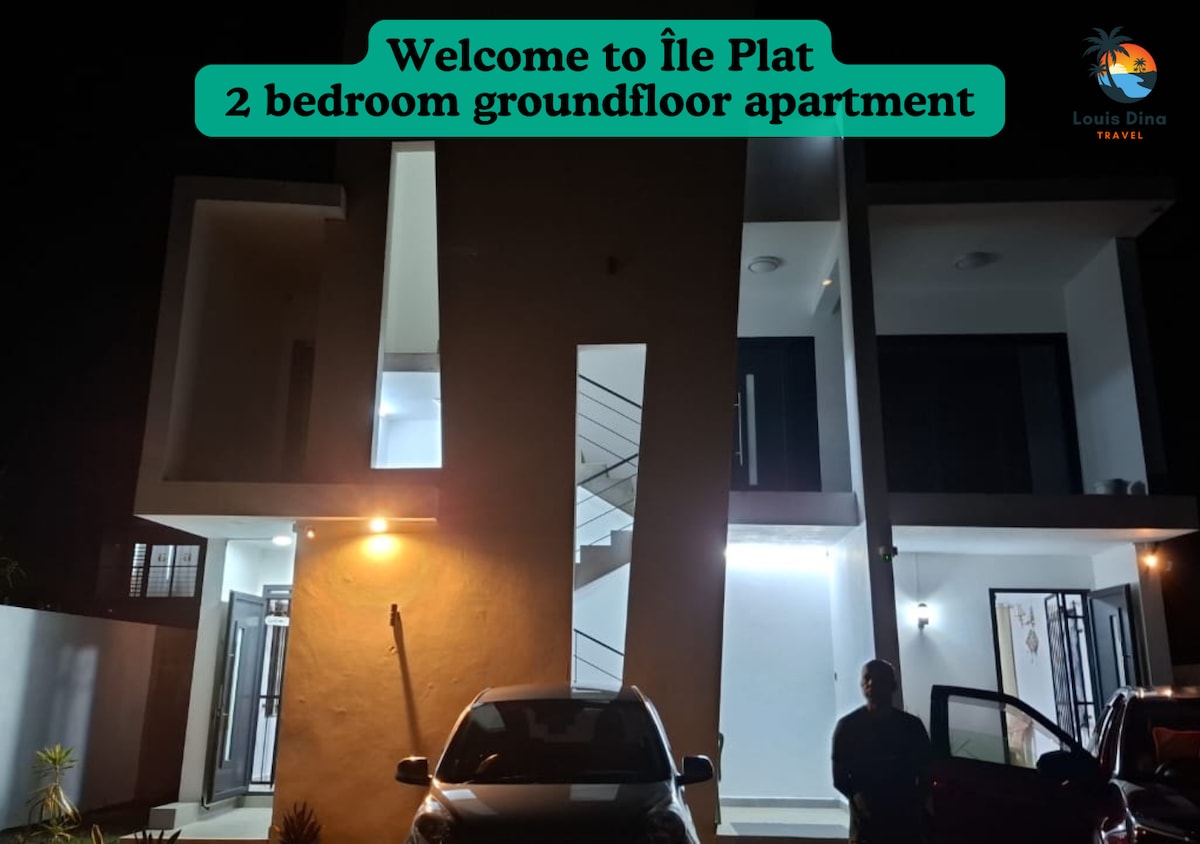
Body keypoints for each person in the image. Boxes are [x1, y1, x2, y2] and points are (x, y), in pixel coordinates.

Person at [831, 659, 932, 844]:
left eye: (879, 678)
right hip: (867, 828)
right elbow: (839, 778)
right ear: (862, 685)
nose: (871, 683)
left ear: (893, 685)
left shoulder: (912, 727)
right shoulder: (847, 728)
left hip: (905, 825)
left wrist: (912, 804)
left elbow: (927, 770)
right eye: (867, 678)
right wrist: (862, 801)